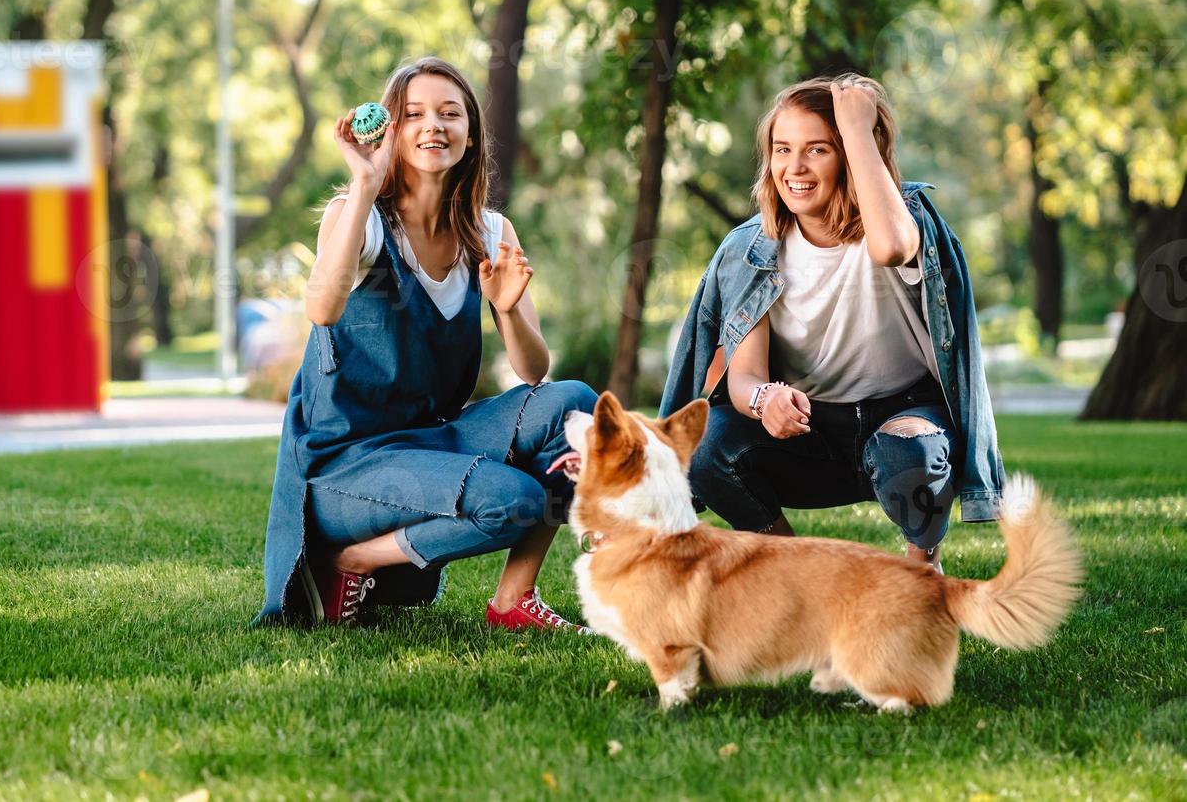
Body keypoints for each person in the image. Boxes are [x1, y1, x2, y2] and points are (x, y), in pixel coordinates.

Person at [254, 56, 596, 629]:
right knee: (513, 500)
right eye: (413, 114)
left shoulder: (490, 230)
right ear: (390, 130)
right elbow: (322, 308)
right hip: (347, 466)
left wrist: (508, 310)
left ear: (470, 133)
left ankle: (513, 601)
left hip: (434, 438)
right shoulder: (356, 218)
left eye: (449, 113)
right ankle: (349, 559)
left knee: (575, 404)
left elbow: (533, 371)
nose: (432, 125)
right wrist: (365, 182)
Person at [660, 74, 1005, 569]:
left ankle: (920, 569)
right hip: (809, 430)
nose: (794, 168)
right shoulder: (750, 250)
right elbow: (744, 377)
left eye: (818, 149)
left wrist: (860, 127)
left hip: (903, 417)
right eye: (782, 149)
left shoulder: (903, 219)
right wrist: (765, 399)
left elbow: (891, 247)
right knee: (706, 448)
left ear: (852, 154)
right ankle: (797, 574)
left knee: (909, 454)